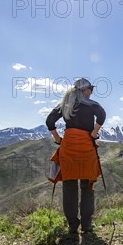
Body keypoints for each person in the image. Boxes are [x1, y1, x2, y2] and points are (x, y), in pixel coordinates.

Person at [46, 78, 106, 234]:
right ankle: (86, 225)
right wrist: (93, 133)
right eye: (90, 89)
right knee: (87, 186)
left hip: (69, 148)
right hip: (86, 147)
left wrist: (58, 139)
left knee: (69, 186)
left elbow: (49, 121)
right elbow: (102, 115)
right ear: (84, 90)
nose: (91, 92)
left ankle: (73, 225)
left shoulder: (65, 105)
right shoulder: (91, 105)